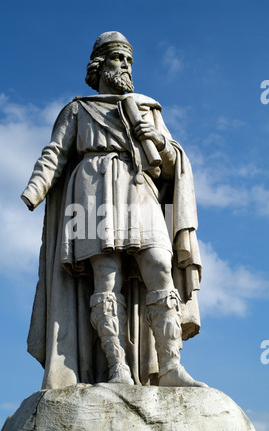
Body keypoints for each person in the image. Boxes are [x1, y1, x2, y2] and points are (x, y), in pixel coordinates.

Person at [21, 31, 207, 389]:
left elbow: (172, 163)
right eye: (117, 58)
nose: (124, 66)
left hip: (140, 190)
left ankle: (169, 367)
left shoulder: (148, 108)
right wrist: (35, 188)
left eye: (128, 60)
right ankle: (117, 367)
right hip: (91, 192)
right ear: (99, 65)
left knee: (158, 266)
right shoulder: (77, 109)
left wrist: (158, 140)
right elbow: (56, 154)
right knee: (106, 279)